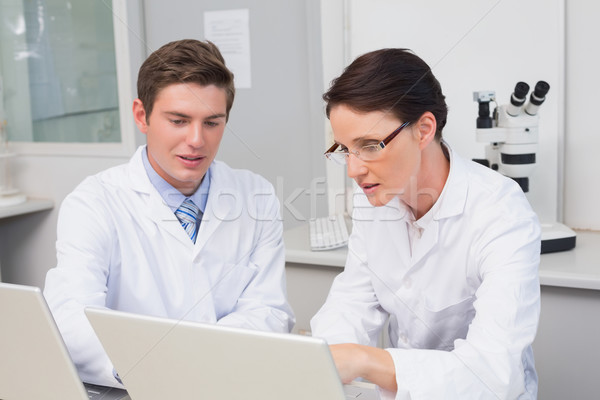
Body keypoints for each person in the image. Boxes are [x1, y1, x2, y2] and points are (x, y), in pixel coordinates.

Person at [44, 39, 295, 387]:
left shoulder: (256, 196)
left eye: (212, 122)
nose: (196, 139)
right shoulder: (93, 203)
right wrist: (159, 368)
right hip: (132, 386)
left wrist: (198, 363)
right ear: (141, 115)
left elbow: (268, 311)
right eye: (179, 120)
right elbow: (72, 319)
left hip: (228, 383)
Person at [310, 48, 541, 399]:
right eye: (344, 149)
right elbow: (352, 303)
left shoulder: (500, 212)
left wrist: (363, 360)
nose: (354, 170)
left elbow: (494, 373)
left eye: (370, 145)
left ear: (423, 129)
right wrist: (325, 357)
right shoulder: (375, 197)